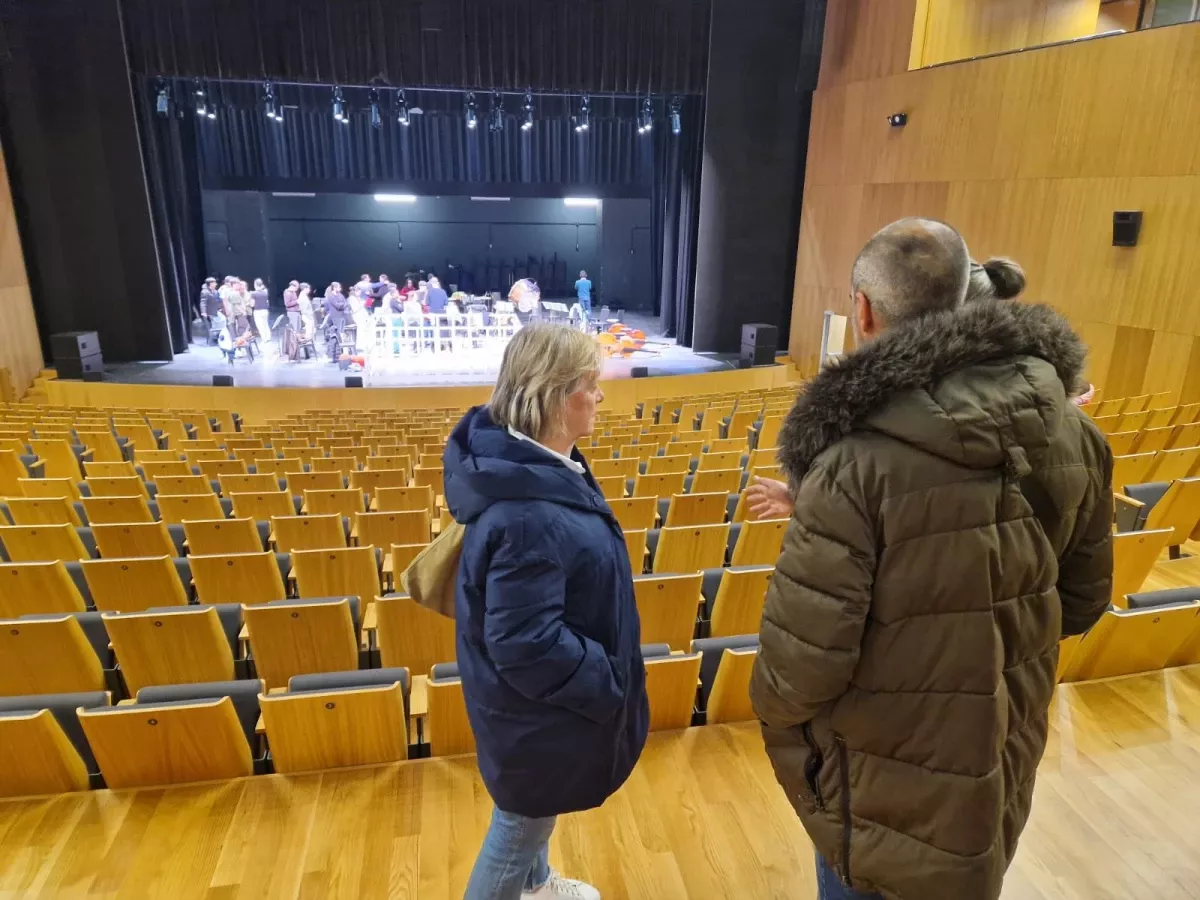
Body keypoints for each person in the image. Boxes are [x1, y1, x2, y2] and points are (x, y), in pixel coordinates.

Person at [749, 218, 1113, 900]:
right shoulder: (1077, 432)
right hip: (1000, 749)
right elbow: (1082, 602)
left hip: (879, 775)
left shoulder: (853, 464)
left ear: (862, 310)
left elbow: (797, 673)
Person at [444, 324, 648, 900]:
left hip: (536, 709)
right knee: (520, 824)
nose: (600, 395)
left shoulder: (538, 467)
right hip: (542, 707)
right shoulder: (527, 515)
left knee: (536, 800)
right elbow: (526, 643)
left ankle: (536, 886)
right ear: (556, 396)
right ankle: (522, 883)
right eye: (591, 384)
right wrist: (606, 680)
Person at [251, 278, 271, 343]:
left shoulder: (254, 293)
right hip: (265, 310)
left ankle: (264, 339)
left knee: (260, 326)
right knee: (265, 324)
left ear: (255, 284)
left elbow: (252, 304)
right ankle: (268, 337)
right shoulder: (265, 293)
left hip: (257, 311)